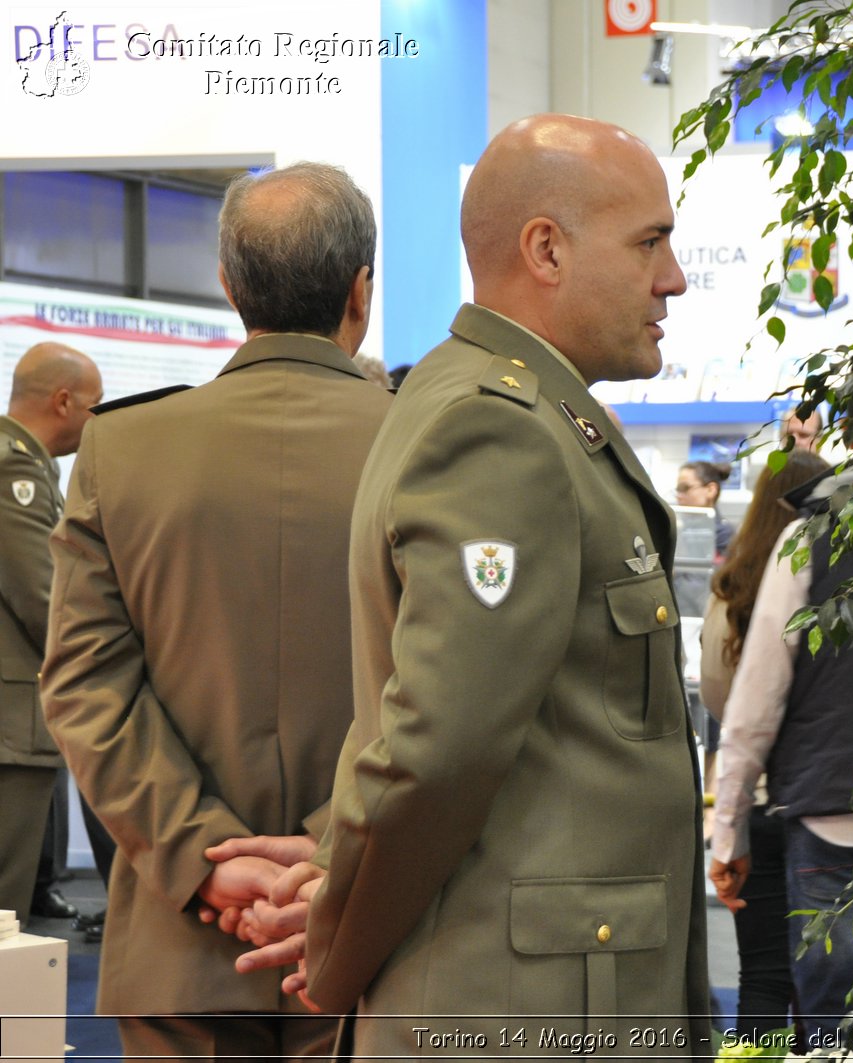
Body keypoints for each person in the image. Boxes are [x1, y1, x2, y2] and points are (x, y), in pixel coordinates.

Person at [236, 115, 712, 1058]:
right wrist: (335, 947)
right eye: (650, 242)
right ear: (546, 249)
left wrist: (337, 864)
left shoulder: (509, 406)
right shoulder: (502, 431)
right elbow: (437, 746)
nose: (674, 278)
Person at [39, 162, 390, 1060]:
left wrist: (207, 856)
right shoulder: (430, 445)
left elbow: (84, 688)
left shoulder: (121, 447)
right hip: (372, 937)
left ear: (228, 287)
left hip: (178, 939)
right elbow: (453, 694)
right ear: (361, 289)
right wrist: (322, 854)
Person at [711, 453, 853, 1054]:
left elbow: (756, 702)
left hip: (826, 813)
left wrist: (728, 837)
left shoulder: (807, 536)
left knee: (836, 1031)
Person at [699, 449, 829, 1046]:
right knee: (831, 986)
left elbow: (723, 700)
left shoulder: (733, 586)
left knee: (763, 977)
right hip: (822, 797)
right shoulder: (840, 573)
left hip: (753, 800)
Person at [0, 343, 100, 930]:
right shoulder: (16, 468)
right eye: (96, 406)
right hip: (10, 724)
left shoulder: (29, 464)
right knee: (4, 915)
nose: (97, 420)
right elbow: (45, 600)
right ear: (63, 402)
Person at [678, 459, 734, 558]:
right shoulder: (682, 530)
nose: (679, 496)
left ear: (710, 490)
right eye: (678, 489)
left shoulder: (724, 534)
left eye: (685, 488)